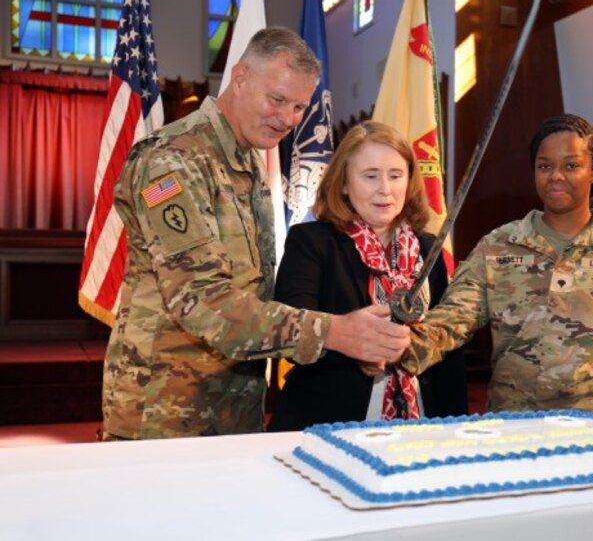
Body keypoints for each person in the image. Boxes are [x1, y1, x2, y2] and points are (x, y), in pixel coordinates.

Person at [102, 28, 410, 440]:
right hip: (166, 411)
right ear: (241, 77)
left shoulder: (247, 162)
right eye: (277, 99)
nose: (287, 119)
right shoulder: (174, 160)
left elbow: (255, 293)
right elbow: (205, 303)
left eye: (299, 106)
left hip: (234, 405)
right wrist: (335, 332)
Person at [400, 114, 593, 413]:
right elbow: (453, 319)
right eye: (545, 166)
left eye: (571, 165)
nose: (556, 175)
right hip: (518, 424)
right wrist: (397, 345)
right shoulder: (499, 246)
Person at [267, 121, 467, 431]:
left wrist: (456, 429)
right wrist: (353, 344)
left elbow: (448, 352)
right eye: (370, 176)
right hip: (329, 426)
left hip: (422, 426)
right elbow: (289, 335)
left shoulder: (429, 246)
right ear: (344, 184)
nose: (385, 189)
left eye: (395, 175)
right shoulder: (311, 242)